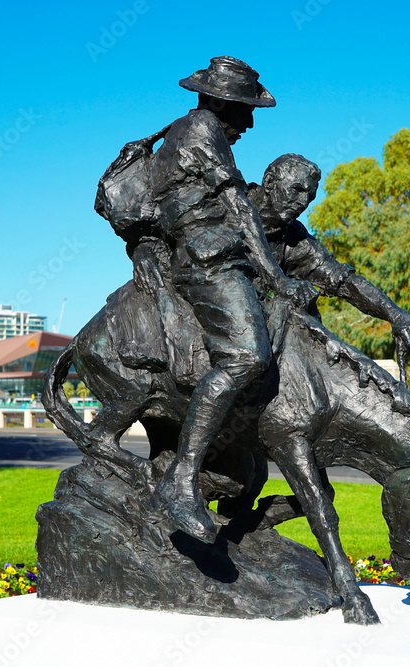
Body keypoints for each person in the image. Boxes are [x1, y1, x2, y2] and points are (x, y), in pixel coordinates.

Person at [128, 57, 315, 544]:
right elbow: (239, 210)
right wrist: (277, 278)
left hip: (217, 254)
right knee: (245, 356)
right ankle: (183, 481)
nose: (250, 123)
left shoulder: (190, 129)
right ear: (217, 102)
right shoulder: (200, 132)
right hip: (207, 259)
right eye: (245, 110)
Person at [247, 154, 410, 355]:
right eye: (297, 189)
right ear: (269, 182)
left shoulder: (293, 237)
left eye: (310, 196)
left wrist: (397, 315)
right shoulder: (225, 207)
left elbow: (342, 280)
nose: (303, 202)